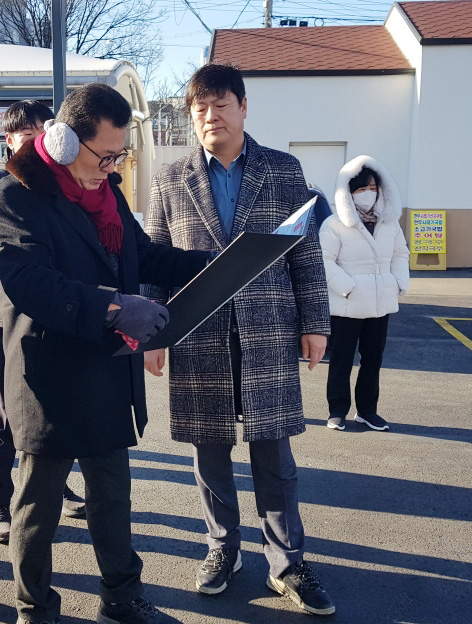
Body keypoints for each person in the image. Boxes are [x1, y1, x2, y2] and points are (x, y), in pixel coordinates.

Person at [0, 84, 211, 624]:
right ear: (61, 139)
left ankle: (122, 596)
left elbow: (143, 254)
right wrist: (113, 308)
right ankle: (34, 607)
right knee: (38, 506)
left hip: (107, 371)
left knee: (112, 496)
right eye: (103, 156)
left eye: (118, 156)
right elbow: (31, 283)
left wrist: (212, 263)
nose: (110, 168)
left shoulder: (107, 195)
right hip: (50, 378)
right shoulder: (12, 194)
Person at [143, 63, 336, 616]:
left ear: (244, 107)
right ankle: (221, 547)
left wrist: (315, 322)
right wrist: (154, 327)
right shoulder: (171, 177)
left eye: (221, 105)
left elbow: (305, 251)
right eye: (200, 109)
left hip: (269, 329)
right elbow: (154, 258)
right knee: (210, 451)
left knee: (274, 450)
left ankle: (288, 560)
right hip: (198, 333)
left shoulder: (282, 169)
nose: (211, 117)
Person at [0, 100, 85, 545]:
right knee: (4, 416)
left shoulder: (64, 185)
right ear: (8, 140)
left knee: (55, 410)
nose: (36, 141)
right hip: (6, 319)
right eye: (26, 134)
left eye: (42, 131)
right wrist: (12, 284)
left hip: (59, 317)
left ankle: (57, 483)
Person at [319, 156, 409, 432]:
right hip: (346, 305)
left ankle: (368, 411)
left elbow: (400, 255)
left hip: (381, 304)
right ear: (347, 193)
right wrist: (349, 287)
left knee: (373, 360)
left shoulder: (388, 223)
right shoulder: (334, 225)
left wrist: (397, 283)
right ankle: (337, 411)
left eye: (372, 188)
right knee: (341, 360)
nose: (368, 194)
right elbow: (324, 261)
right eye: (360, 189)